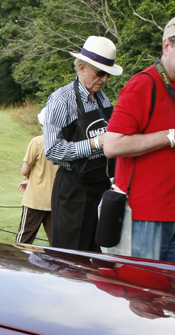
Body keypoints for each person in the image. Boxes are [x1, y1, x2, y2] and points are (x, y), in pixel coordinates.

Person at [100, 14, 175, 264]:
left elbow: (172, 147)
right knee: (142, 288)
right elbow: (112, 145)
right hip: (143, 216)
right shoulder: (143, 84)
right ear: (167, 46)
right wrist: (172, 136)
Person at [42, 36, 122, 251]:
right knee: (70, 257)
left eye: (107, 74)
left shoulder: (103, 99)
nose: (104, 79)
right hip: (73, 189)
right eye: (100, 73)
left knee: (97, 254)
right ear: (81, 67)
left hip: (101, 186)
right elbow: (52, 150)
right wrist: (94, 143)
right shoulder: (61, 100)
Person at [18, 109, 58, 243]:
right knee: (56, 242)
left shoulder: (37, 142)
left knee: (24, 240)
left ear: (41, 124)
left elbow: (24, 170)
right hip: (55, 200)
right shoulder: (63, 142)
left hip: (34, 199)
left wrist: (30, 178)